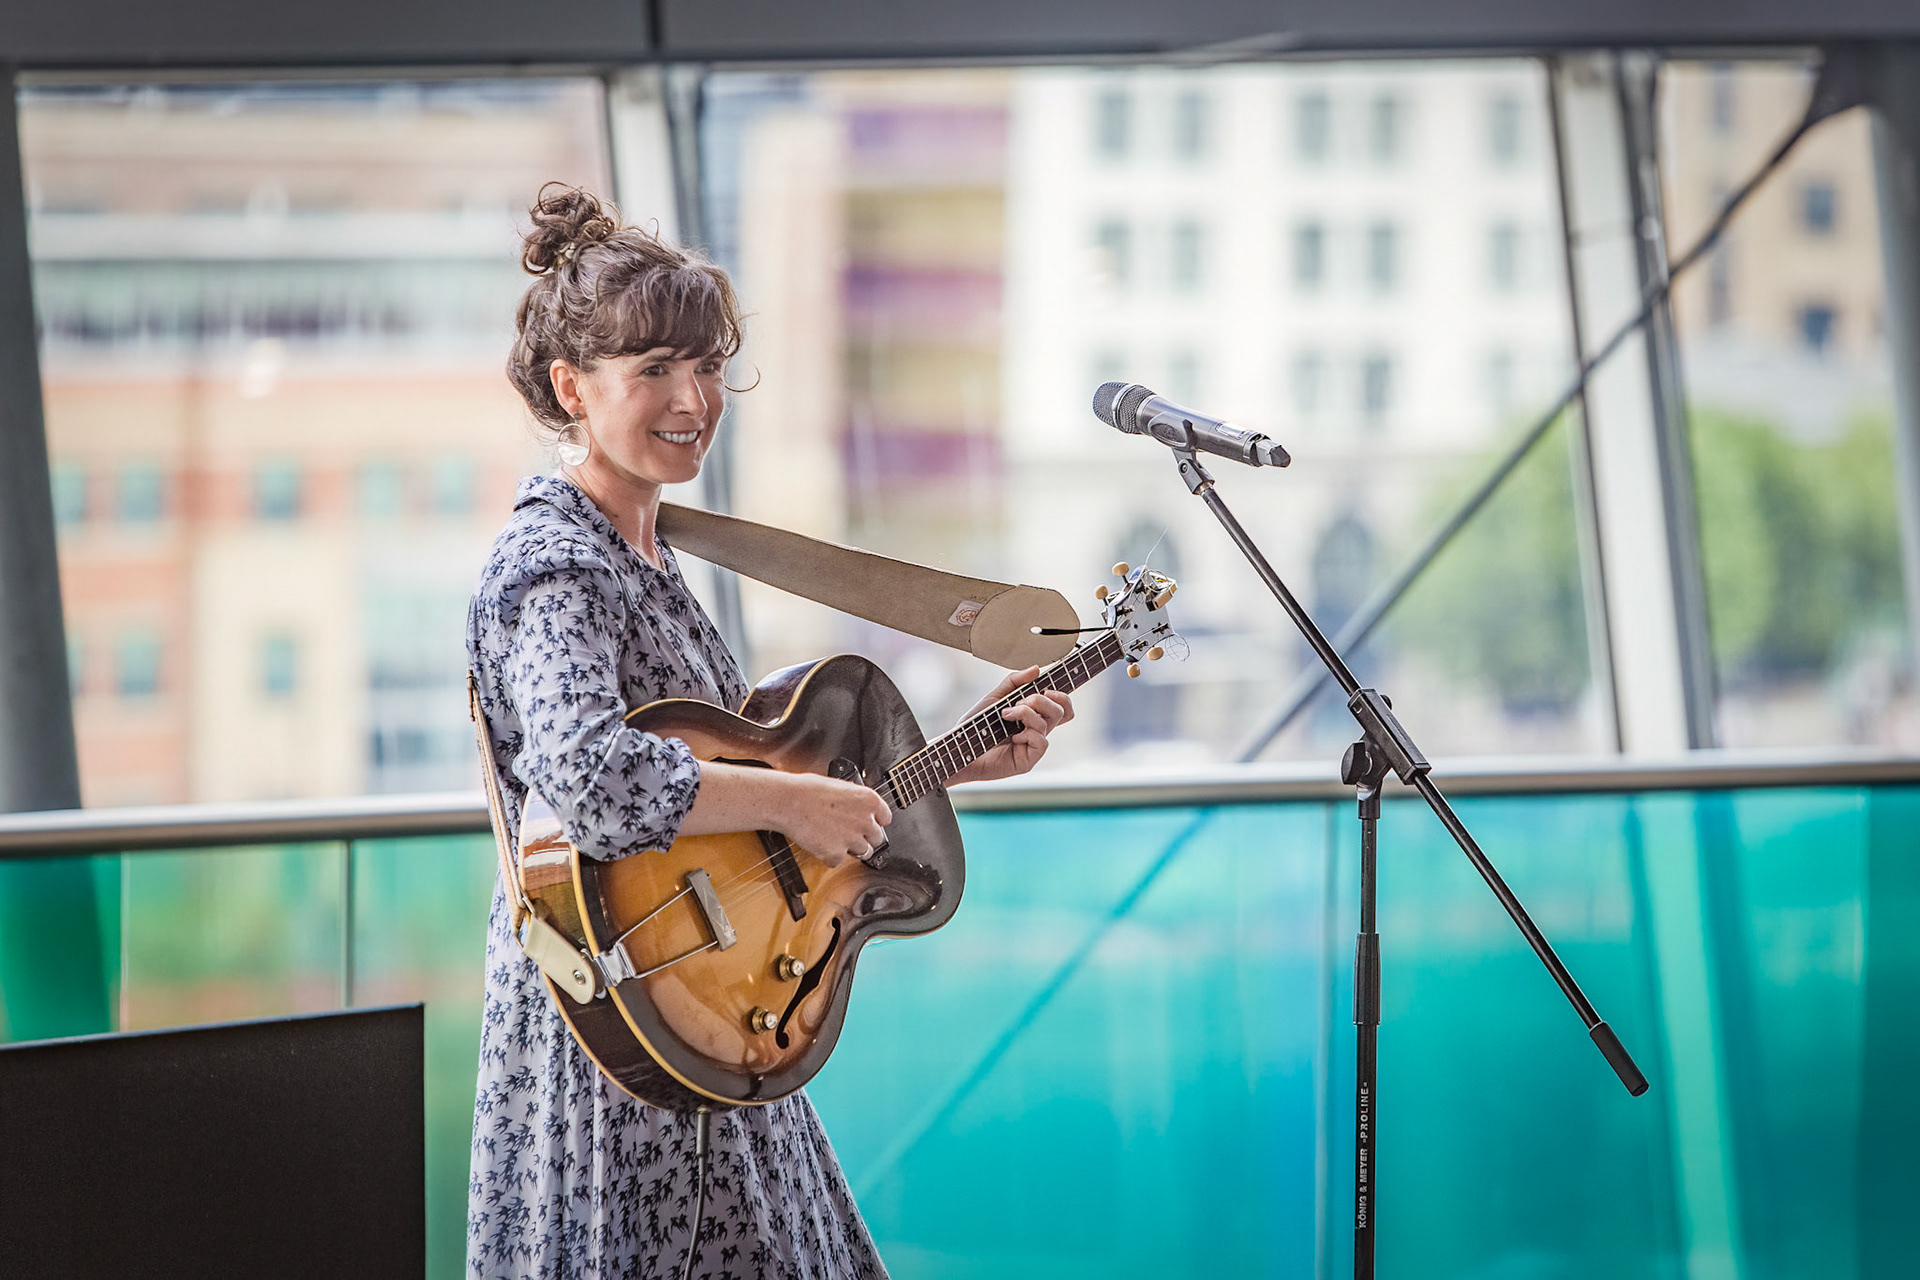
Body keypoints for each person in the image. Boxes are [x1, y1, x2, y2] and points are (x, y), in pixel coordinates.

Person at [466, 185, 1073, 1279]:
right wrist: (798, 802)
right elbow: (592, 779)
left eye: (706, 366)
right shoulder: (555, 566)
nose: (694, 398)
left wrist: (956, 761)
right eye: (655, 368)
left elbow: (737, 802)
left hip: (708, 1006)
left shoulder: (646, 555)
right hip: (618, 1029)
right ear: (571, 387)